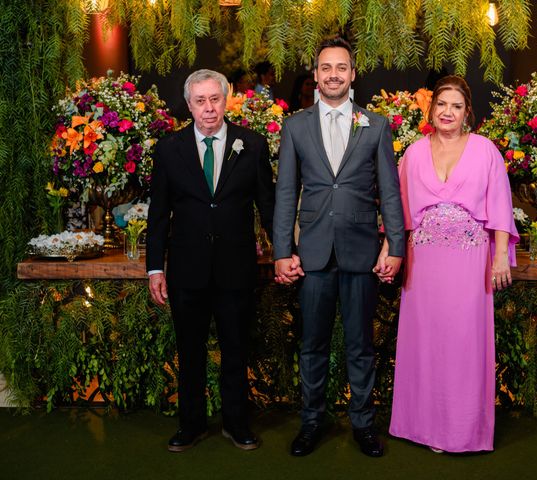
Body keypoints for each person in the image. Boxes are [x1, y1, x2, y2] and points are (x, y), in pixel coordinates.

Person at [273, 37, 405, 458]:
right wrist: (281, 250)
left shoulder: (377, 124)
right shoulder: (295, 126)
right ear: (316, 74)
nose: (333, 74)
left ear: (352, 74)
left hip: (362, 252)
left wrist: (395, 245)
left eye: (341, 67)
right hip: (311, 254)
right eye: (326, 67)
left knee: (360, 345)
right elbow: (285, 193)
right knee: (311, 343)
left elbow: (390, 192)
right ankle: (311, 422)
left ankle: (364, 425)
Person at [386, 75, 519, 453]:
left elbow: (499, 207)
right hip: (424, 263)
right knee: (426, 343)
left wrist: (498, 259)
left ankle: (462, 431)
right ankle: (422, 426)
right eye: (442, 104)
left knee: (464, 345)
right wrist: (390, 250)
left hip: (469, 263)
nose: (448, 112)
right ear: (432, 109)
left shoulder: (485, 151)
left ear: (467, 113)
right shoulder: (412, 153)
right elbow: (398, 212)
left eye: (456, 106)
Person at [146, 69, 275, 453]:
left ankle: (236, 424)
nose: (208, 108)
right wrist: (155, 267)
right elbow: (158, 215)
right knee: (190, 351)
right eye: (200, 101)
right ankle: (191, 425)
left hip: (236, 269)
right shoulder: (169, 149)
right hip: (187, 270)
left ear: (226, 99)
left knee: (236, 349)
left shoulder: (251, 145)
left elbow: (267, 207)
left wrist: (285, 251)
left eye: (215, 99)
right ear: (189, 105)